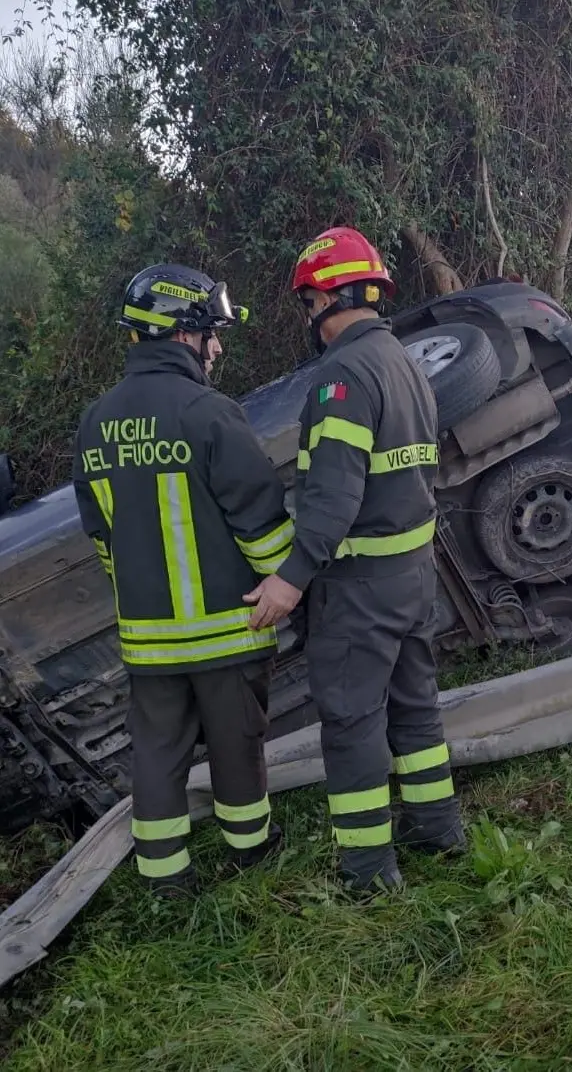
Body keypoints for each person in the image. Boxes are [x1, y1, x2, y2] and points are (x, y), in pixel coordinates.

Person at [244, 226, 464, 893]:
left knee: (352, 723)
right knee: (416, 706)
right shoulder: (404, 363)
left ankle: (369, 873)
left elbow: (334, 497)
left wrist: (289, 580)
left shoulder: (341, 377)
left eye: (307, 304)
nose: (309, 318)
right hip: (411, 576)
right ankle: (439, 831)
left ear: (324, 298)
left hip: (359, 584)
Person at [72, 264, 295, 896]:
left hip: (148, 639)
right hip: (229, 629)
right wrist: (290, 581)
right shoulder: (207, 412)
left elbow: (102, 535)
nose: (217, 347)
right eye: (210, 334)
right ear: (180, 334)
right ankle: (252, 855)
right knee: (237, 747)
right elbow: (261, 519)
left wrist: (143, 595)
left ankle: (165, 880)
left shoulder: (94, 423)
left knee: (157, 757)